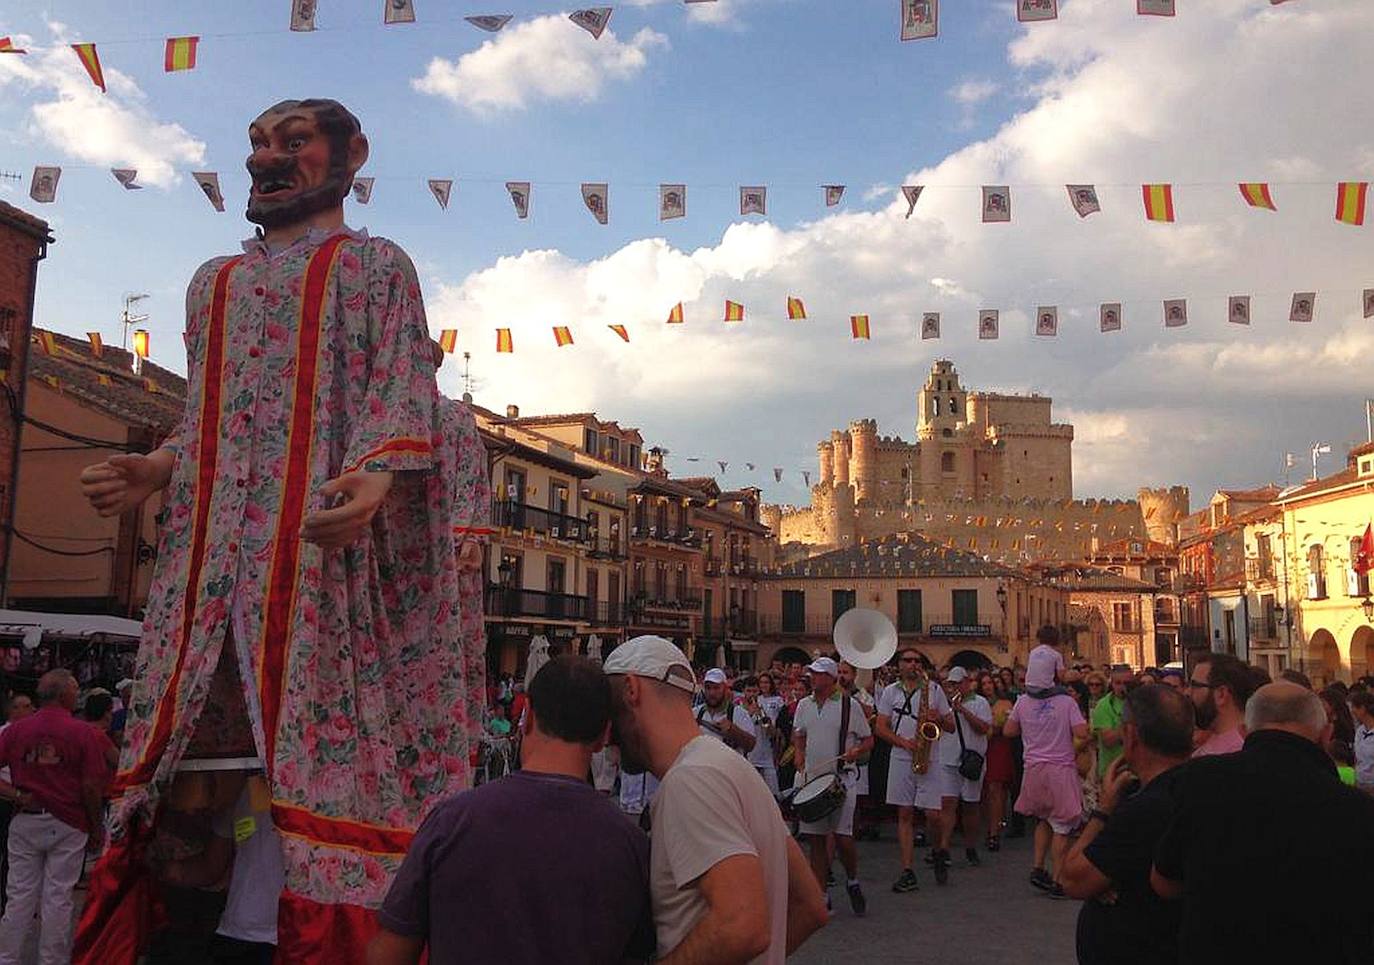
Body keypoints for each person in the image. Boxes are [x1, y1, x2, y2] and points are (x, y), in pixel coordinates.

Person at [77, 98, 482, 961]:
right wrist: (155, 469)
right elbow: (210, 417)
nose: (268, 159)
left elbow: (402, 389)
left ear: (349, 154)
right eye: (258, 142)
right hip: (216, 559)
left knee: (336, 731)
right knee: (180, 758)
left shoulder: (376, 267)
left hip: (322, 561)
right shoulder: (210, 283)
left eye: (293, 142)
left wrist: (377, 474)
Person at [370, 657, 654, 964]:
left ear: (528, 716)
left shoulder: (451, 821)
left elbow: (389, 954)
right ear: (604, 736)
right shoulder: (632, 845)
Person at [603, 636, 827, 963]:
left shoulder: (691, 778)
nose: (608, 729)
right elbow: (811, 907)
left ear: (631, 689)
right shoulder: (731, 767)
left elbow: (742, 926)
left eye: (610, 707)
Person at [1151, 682, 1374, 963]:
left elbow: (1163, 881)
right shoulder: (1357, 810)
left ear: (1244, 732)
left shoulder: (1198, 781)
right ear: (1326, 734)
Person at [1061, 685, 1195, 964]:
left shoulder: (1144, 808)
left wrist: (1104, 810)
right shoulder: (1199, 787)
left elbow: (1072, 879)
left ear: (1131, 736)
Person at [0, 670, 108, 965]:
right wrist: (96, 825)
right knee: (58, 898)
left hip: (26, 818)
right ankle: (52, 960)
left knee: (19, 895)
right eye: (75, 689)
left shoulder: (16, 731)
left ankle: (7, 958)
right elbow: (91, 785)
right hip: (68, 821)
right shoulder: (82, 732)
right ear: (65, 695)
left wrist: (17, 796)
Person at [1004, 630, 1088, 897]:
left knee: (1043, 819)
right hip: (1060, 768)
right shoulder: (1066, 702)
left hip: (1033, 768)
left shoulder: (1022, 702)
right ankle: (1058, 879)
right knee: (1062, 826)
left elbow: (1008, 732)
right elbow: (1082, 734)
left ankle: (1037, 866)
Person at [791, 657, 873, 917]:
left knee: (842, 837)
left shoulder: (850, 706)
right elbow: (799, 732)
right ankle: (821, 897)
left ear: (830, 678)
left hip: (842, 779)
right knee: (815, 840)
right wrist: (799, 754)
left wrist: (856, 751)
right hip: (813, 781)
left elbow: (869, 740)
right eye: (811, 674)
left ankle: (852, 879)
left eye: (817, 674)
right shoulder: (804, 705)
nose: (812, 678)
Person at [876, 647, 953, 892]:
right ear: (899, 665)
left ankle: (938, 849)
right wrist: (903, 742)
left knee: (933, 815)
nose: (913, 664)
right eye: (907, 660)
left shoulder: (935, 690)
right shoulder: (890, 692)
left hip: (930, 756)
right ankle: (907, 870)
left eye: (917, 661)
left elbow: (951, 725)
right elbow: (880, 727)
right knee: (905, 814)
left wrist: (938, 718)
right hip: (901, 756)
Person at [936, 667, 992, 868]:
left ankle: (970, 847)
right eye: (951, 684)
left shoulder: (980, 703)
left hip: (971, 760)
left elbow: (984, 728)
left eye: (958, 683)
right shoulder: (944, 704)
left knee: (970, 806)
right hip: (947, 758)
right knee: (947, 804)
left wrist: (963, 710)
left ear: (968, 682)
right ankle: (943, 848)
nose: (954, 687)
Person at [0, 694, 33, 909]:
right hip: (6, 798)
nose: (32, 710)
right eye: (27, 706)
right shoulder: (5, 733)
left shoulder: (29, 734)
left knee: (13, 854)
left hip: (18, 799)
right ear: (14, 710)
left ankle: (9, 900)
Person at [1189, 652, 1256, 756]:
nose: (1188, 692)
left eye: (1195, 685)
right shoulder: (1208, 744)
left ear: (1221, 694)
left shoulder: (1239, 750)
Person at [979, 672, 1014, 852]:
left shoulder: (1005, 704)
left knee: (996, 789)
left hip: (998, 746)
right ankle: (989, 827)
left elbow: (1010, 725)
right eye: (983, 683)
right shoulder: (976, 703)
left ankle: (994, 831)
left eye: (990, 683)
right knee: (984, 791)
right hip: (981, 747)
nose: (987, 686)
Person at [696, 669, 756, 756]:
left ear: (725, 689)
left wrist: (733, 730)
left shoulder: (738, 713)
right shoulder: (696, 713)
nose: (712, 693)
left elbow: (750, 745)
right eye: (708, 688)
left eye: (716, 688)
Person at [1091, 667, 1132, 782]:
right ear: (1111, 683)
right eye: (1118, 683)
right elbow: (1108, 740)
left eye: (1126, 683)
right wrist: (1130, 724)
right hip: (1112, 772)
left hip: (1138, 771)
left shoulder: (1140, 702)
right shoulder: (1104, 706)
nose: (1122, 687)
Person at [740, 677, 780, 796]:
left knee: (773, 795)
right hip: (748, 758)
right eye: (749, 691)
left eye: (754, 691)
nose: (752, 694)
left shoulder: (764, 707)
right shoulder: (737, 708)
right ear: (744, 691)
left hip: (766, 757)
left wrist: (762, 716)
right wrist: (749, 714)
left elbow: (772, 733)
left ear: (759, 691)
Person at [81, 691, 120, 772]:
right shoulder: (98, 735)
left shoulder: (80, 730)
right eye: (111, 711)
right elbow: (118, 760)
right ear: (106, 714)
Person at [1351, 690, 1374, 793]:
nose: (1352, 711)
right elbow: (1357, 758)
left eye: (1354, 707)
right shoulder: (1360, 730)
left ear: (1363, 709)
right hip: (1360, 781)